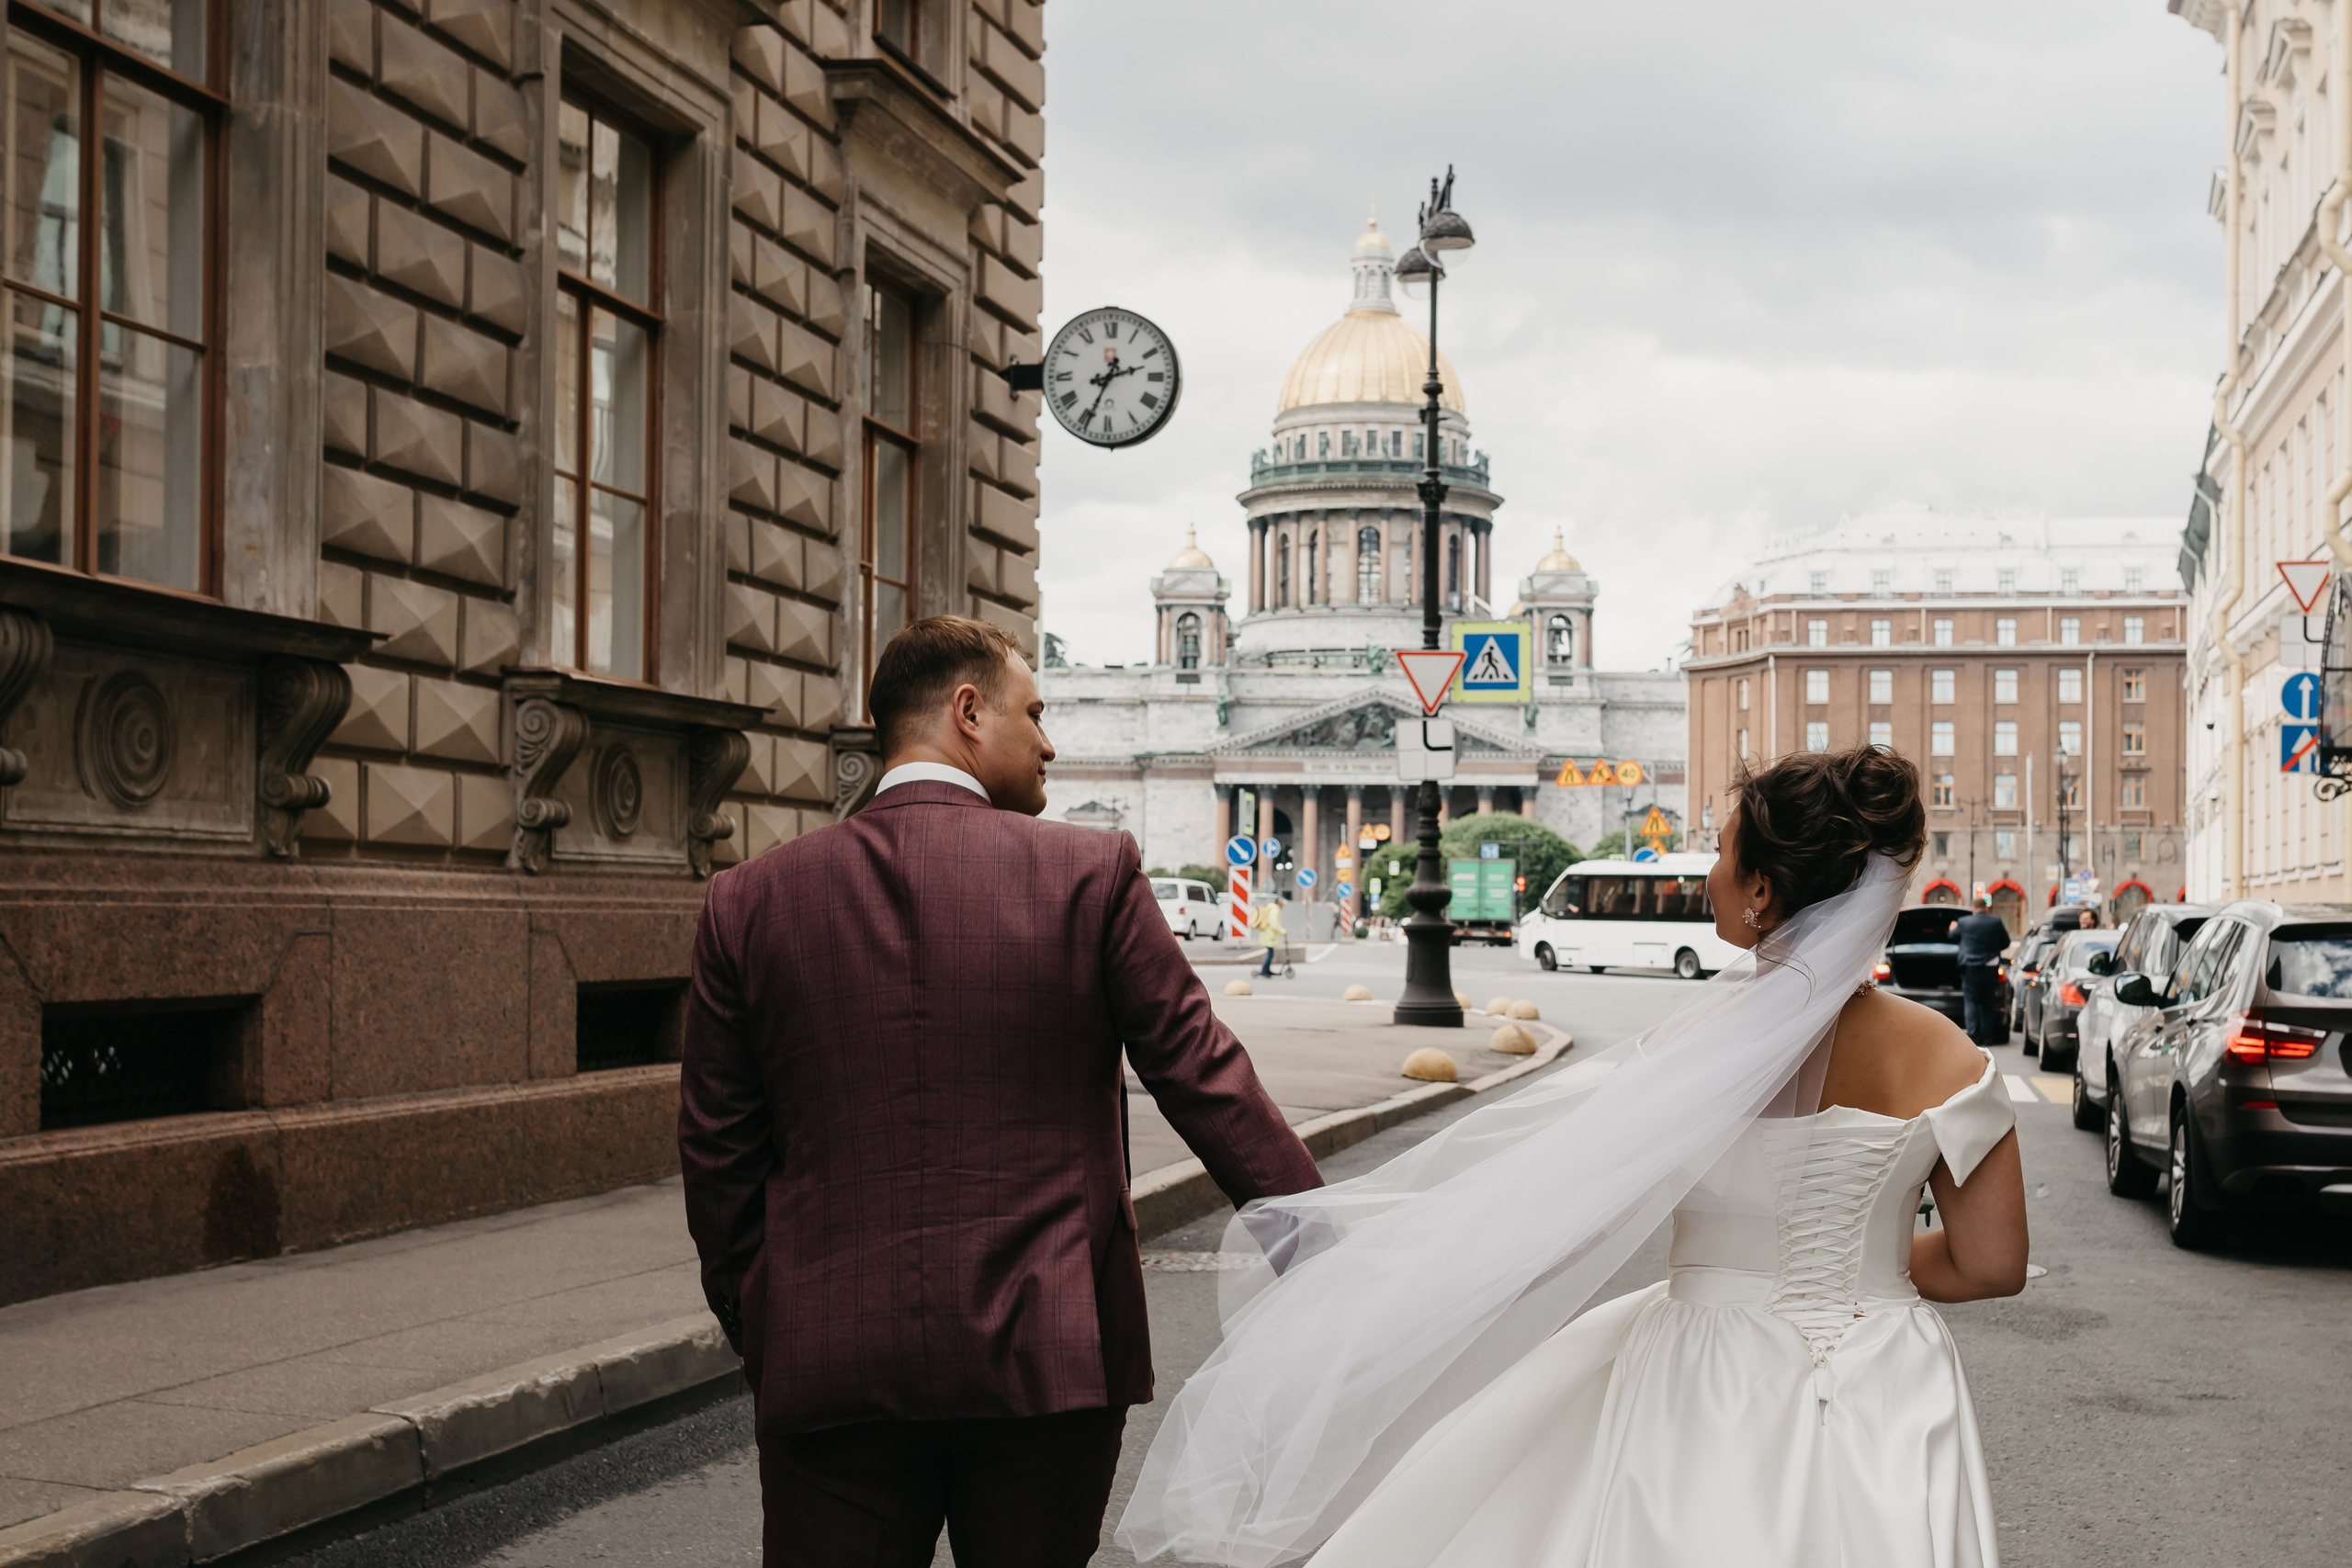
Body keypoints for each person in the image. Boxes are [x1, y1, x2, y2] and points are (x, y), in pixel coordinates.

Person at [1118, 747, 2030, 1567]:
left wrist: (1378, 1287)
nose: (1708, 874)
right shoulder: (1947, 1056)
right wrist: (1852, 1275)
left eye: (1720, 852)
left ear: (1759, 892)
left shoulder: (1690, 1053)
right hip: (1886, 1372)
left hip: (1707, 1366)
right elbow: (1990, 1264)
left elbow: (1560, 1219)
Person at [679, 615, 1322, 1567]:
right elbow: (1202, 1075)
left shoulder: (750, 899)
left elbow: (719, 1153)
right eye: (1035, 711)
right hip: (1049, 1353)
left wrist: (767, 1318)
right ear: (967, 713)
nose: (1051, 741)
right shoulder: (1087, 873)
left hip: (830, 1354)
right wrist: (1321, 1249)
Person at [1954, 895, 2009, 1046]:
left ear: (1973, 908)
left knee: (1971, 1002)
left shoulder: (1964, 922)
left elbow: (1951, 936)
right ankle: (1987, 1036)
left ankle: (1973, 1036)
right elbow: (2006, 942)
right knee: (1988, 1002)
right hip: (1990, 969)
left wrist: (1953, 927)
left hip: (1970, 968)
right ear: (1986, 908)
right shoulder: (1996, 921)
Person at [1250, 893, 1286, 977]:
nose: (1283, 905)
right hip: (1270, 936)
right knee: (1270, 954)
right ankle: (1264, 970)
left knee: (1270, 953)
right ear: (1279, 903)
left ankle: (1266, 969)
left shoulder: (1271, 908)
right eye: (1282, 903)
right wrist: (1283, 931)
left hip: (1267, 935)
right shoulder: (1275, 910)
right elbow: (1274, 924)